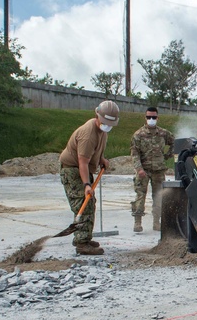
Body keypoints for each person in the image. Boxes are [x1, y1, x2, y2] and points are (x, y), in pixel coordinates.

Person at [58, 100, 119, 255]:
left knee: (89, 203)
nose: (107, 126)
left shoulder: (102, 131)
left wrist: (101, 160)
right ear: (97, 115)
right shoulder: (88, 134)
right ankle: (81, 243)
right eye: (105, 122)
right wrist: (86, 185)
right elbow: (82, 162)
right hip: (73, 170)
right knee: (83, 203)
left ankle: (85, 237)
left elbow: (96, 151)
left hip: (81, 168)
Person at [130, 106, 175, 232]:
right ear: (145, 118)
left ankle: (157, 222)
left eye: (153, 117)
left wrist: (167, 155)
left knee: (159, 197)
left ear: (157, 118)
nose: (151, 119)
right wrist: (139, 169)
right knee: (140, 196)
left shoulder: (163, 133)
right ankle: (137, 222)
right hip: (143, 170)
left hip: (159, 170)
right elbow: (135, 154)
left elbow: (174, 142)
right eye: (149, 117)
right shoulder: (138, 135)